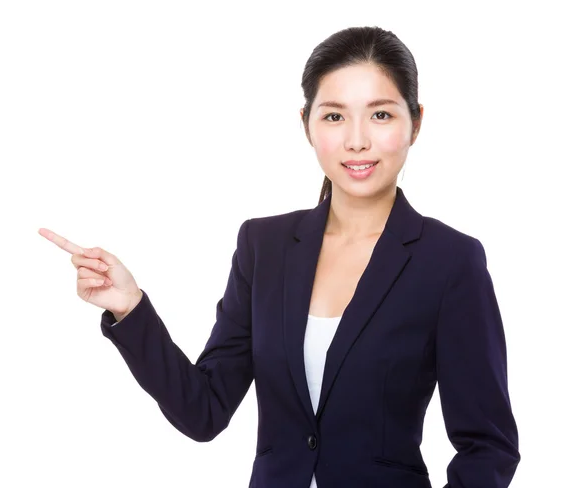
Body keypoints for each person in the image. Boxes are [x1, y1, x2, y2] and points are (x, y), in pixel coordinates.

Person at [39, 25, 520, 488]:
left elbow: (489, 445)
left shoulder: (450, 261)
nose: (356, 140)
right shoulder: (263, 247)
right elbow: (204, 410)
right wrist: (130, 308)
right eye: (334, 115)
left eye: (380, 114)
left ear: (415, 123)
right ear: (307, 125)